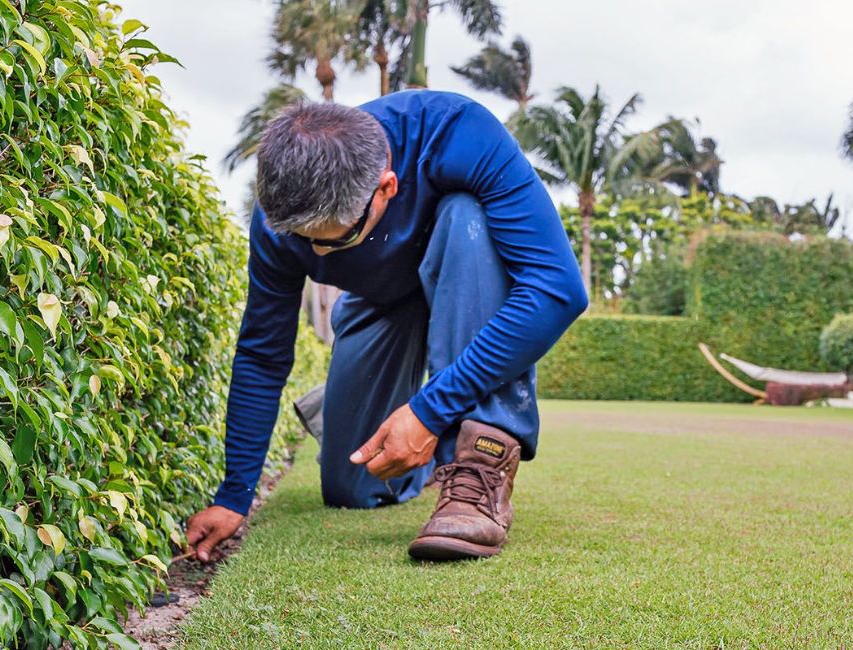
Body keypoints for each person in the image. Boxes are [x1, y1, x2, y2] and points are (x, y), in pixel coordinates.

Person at [186, 90, 587, 562]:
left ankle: (476, 467)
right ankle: (353, 413)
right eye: (303, 239)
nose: (316, 255)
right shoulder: (278, 219)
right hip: (382, 300)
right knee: (351, 488)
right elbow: (262, 354)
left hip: (465, 271)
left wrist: (429, 412)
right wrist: (234, 496)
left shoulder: (459, 132)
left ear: (387, 187)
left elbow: (557, 289)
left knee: (466, 215)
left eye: (339, 239)